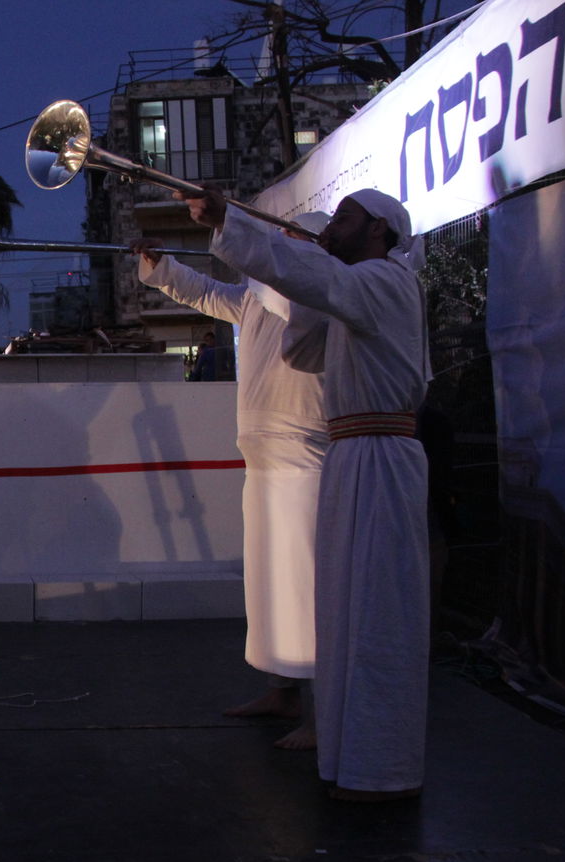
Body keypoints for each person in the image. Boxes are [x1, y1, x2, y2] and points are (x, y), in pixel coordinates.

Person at [186, 185, 430, 802]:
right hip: (353, 456)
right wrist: (302, 274)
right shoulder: (353, 292)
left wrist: (237, 225)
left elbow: (313, 286)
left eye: (345, 219)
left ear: (379, 231)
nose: (335, 228)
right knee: (345, 607)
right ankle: (353, 756)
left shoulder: (385, 279)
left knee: (375, 610)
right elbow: (302, 350)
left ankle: (383, 768)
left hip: (378, 454)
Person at [133, 212, 330, 749]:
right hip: (264, 460)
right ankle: (283, 689)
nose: (279, 245)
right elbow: (206, 293)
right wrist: (164, 267)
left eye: (289, 238)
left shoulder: (315, 292)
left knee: (308, 591)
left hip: (305, 461)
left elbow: (285, 293)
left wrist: (259, 259)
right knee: (269, 590)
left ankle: (323, 716)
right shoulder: (259, 296)